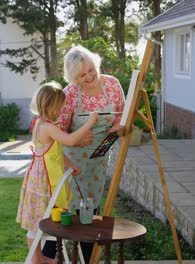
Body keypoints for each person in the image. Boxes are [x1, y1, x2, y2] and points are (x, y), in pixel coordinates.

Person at [42, 45, 125, 263]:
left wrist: (116, 129)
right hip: (74, 161)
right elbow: (57, 131)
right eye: (82, 75)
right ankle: (52, 257)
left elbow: (121, 117)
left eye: (91, 70)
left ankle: (88, 260)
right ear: (73, 77)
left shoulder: (113, 85)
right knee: (66, 214)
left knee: (91, 215)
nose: (89, 76)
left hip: (99, 159)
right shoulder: (69, 94)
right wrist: (77, 137)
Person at [16, 82, 99, 264]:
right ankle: (36, 259)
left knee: (39, 223)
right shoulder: (47, 127)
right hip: (43, 183)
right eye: (59, 106)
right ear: (51, 106)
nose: (62, 110)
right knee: (36, 224)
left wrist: (70, 165)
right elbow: (69, 141)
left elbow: (55, 152)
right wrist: (90, 123)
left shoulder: (42, 124)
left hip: (41, 179)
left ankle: (40, 258)